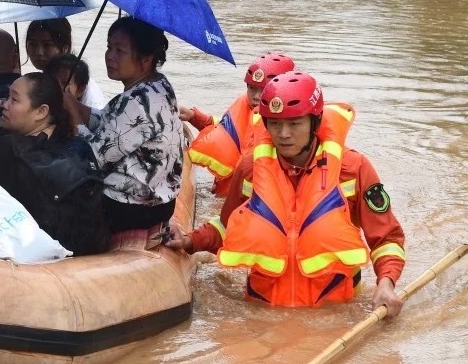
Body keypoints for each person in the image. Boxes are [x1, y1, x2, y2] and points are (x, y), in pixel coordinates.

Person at [166, 72, 405, 315]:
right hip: (263, 311)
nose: (283, 134)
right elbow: (229, 226)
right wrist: (190, 241)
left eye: (294, 123)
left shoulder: (353, 168)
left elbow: (386, 238)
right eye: (275, 123)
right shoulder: (250, 169)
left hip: (333, 312)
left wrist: (386, 283)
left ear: (315, 122)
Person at [65, 17, 184, 234]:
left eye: (120, 51)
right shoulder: (158, 84)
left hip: (131, 206)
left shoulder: (137, 101)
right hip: (160, 202)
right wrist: (73, 103)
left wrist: (72, 113)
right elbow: (111, 123)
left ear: (146, 59)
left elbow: (90, 157)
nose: (110, 56)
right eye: (109, 47)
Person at [180, 52, 356, 197]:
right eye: (252, 88)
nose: (256, 96)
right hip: (234, 191)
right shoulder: (244, 107)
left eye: (262, 89)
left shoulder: (301, 131)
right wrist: (195, 116)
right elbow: (226, 131)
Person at [0, 72, 110, 256]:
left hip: (26, 258)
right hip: (81, 257)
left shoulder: (6, 149)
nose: (4, 105)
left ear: (41, 112)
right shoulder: (82, 147)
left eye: (14, 100)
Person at [25, 19, 107, 109]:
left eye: (47, 45)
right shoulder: (42, 79)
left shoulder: (85, 90)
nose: (39, 52)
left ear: (65, 49)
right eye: (33, 44)